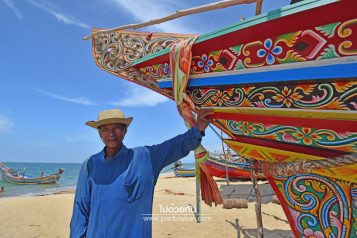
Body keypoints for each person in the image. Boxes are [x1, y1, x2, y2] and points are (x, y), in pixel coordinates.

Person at [70, 108, 213, 238]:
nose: (111, 133)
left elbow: (174, 146)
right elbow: (80, 209)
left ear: (125, 131)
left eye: (117, 128)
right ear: (99, 133)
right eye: (105, 129)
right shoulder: (89, 165)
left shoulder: (145, 158)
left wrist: (197, 130)